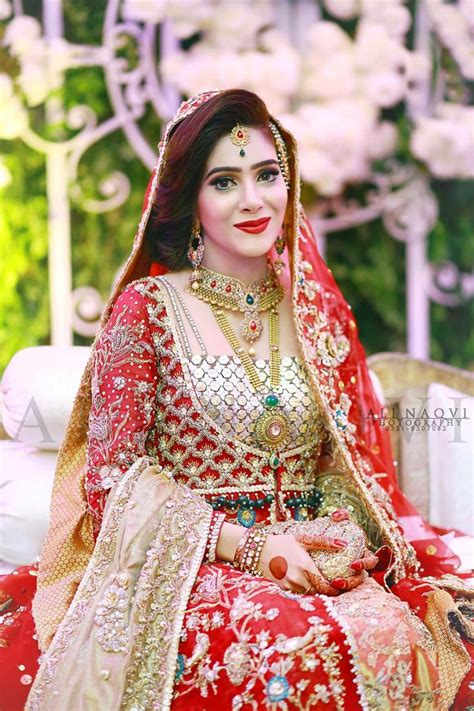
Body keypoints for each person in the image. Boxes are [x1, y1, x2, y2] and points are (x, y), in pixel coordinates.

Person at [0, 89, 472, 711]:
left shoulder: (312, 313)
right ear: (190, 201)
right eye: (224, 181)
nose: (253, 201)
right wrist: (248, 546)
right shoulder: (147, 312)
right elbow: (112, 484)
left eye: (267, 175)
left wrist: (334, 537)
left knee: (418, 630)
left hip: (315, 557)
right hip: (186, 566)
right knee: (302, 646)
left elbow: (346, 463)